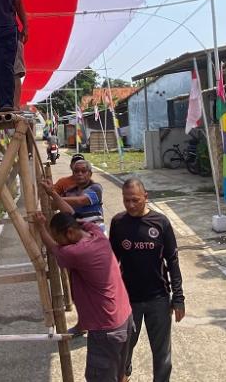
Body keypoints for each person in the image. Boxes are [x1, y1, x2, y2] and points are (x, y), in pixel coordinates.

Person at [32, 187, 134, 382]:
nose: (58, 242)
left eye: (59, 237)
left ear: (70, 233)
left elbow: (53, 249)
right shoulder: (94, 232)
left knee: (100, 377)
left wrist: (40, 227)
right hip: (124, 317)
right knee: (120, 374)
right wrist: (53, 194)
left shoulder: (76, 253)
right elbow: (71, 214)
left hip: (106, 327)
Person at [109, 178, 185, 382]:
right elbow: (110, 263)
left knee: (162, 354)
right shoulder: (118, 223)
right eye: (126, 201)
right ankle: (124, 374)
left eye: (135, 200)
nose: (131, 205)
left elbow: (173, 261)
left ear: (145, 197)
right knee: (123, 346)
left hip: (158, 299)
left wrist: (178, 298)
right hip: (128, 300)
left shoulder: (161, 223)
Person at [59, 158, 105, 230]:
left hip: (96, 234)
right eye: (76, 171)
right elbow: (54, 206)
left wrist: (54, 196)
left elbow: (80, 201)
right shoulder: (68, 191)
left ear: (90, 174)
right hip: (76, 233)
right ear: (73, 174)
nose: (80, 174)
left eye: (83, 171)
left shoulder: (96, 188)